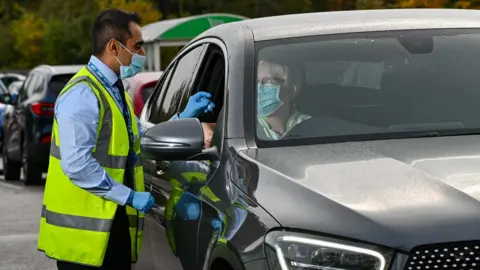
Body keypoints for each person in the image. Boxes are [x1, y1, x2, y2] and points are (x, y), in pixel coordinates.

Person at [38, 9, 161, 270]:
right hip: (83, 240)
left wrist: (184, 117)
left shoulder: (116, 92)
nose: (142, 54)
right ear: (114, 47)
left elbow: (138, 137)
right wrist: (129, 196)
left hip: (108, 226)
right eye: (137, 46)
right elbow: (77, 165)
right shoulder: (83, 94)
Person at [256, 60, 311, 140]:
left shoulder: (310, 126)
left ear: (292, 89)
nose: (258, 88)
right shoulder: (245, 129)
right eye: (256, 81)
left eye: (268, 81)